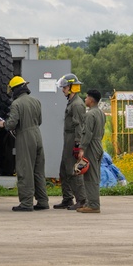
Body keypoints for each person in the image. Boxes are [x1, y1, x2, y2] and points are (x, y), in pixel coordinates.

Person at [0, 76, 49, 211]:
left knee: (24, 169)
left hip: (25, 136)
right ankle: (43, 201)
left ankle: (26, 203)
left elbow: (12, 124)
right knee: (38, 171)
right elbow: (40, 120)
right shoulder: (36, 101)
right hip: (37, 135)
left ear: (15, 89)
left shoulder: (16, 104)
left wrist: (4, 124)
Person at [54, 73, 87, 210]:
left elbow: (80, 125)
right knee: (64, 170)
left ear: (72, 88)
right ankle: (67, 199)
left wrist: (78, 145)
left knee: (73, 170)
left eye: (65, 87)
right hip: (68, 138)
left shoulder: (77, 105)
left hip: (73, 138)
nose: (63, 90)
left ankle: (82, 200)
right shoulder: (72, 102)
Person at [77, 89, 106, 214]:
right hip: (98, 144)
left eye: (87, 97)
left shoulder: (90, 115)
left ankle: (93, 205)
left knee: (90, 176)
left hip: (91, 146)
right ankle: (89, 202)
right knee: (94, 174)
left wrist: (82, 149)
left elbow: (87, 134)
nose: (85, 99)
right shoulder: (101, 113)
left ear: (91, 100)